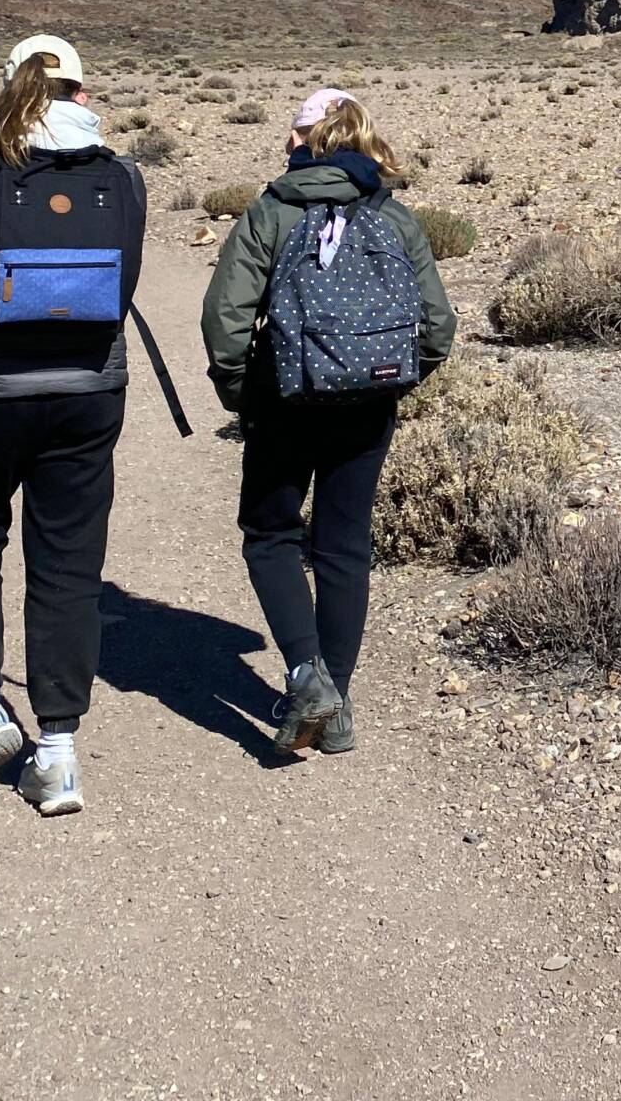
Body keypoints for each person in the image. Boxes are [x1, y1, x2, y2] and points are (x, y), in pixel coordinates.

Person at [0, 35, 145, 815]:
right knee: (69, 564)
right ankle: (57, 755)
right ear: (81, 92)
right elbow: (125, 282)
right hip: (89, 394)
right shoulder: (120, 176)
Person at [201, 90, 454, 755]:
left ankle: (307, 674)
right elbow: (439, 327)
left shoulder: (270, 213)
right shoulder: (392, 217)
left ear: (310, 141)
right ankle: (334, 703)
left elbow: (224, 320)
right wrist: (393, 379)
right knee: (343, 546)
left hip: (285, 400)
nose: (283, 140)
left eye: (293, 130)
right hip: (369, 404)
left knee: (269, 533)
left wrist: (240, 394)